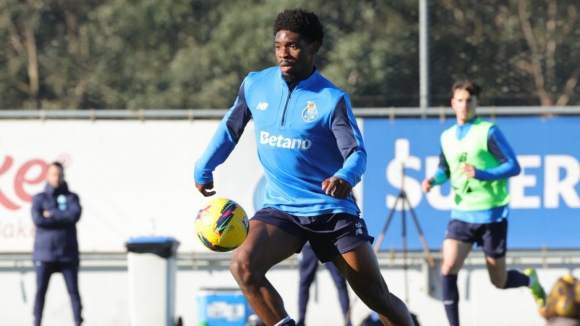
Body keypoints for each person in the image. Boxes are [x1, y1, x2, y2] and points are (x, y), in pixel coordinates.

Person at [194, 8, 414, 326]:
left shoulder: (331, 99)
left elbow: (357, 154)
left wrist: (344, 176)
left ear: (314, 47)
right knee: (243, 265)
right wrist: (204, 167)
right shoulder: (256, 85)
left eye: (293, 46)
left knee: (375, 295)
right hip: (282, 210)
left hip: (332, 212)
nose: (284, 54)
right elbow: (231, 129)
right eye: (279, 46)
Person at [421, 79, 546, 326]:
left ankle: (531, 281)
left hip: (491, 216)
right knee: (447, 268)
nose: (464, 105)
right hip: (461, 214)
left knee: (498, 281)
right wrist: (433, 180)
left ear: (477, 103)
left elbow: (514, 166)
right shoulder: (446, 137)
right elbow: (446, 168)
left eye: (469, 100)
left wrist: (482, 173)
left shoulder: (488, 131)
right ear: (452, 103)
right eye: (459, 100)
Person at [31, 162, 83, 326]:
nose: (57, 178)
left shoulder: (72, 197)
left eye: (59, 174)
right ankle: (36, 322)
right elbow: (38, 219)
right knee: (40, 292)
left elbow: (73, 216)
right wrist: (60, 216)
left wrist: (51, 215)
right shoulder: (40, 198)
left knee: (73, 292)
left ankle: (78, 322)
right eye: (53, 174)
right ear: (47, 176)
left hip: (67, 254)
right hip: (44, 254)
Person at [297, 242, 351, 326]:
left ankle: (347, 320)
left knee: (340, 281)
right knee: (304, 281)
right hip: (308, 242)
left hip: (329, 241)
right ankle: (301, 321)